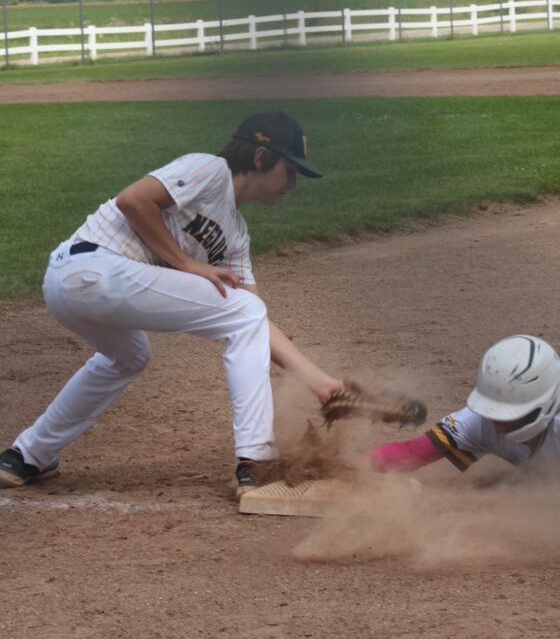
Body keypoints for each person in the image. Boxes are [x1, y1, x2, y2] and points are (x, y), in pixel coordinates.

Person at [0, 111, 342, 495]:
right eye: (290, 171)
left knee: (130, 355)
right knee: (243, 312)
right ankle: (256, 459)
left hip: (78, 287)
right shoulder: (210, 169)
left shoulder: (236, 235)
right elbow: (134, 200)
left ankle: (26, 456)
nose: (293, 184)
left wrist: (322, 384)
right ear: (261, 158)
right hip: (93, 266)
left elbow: (255, 321)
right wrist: (187, 264)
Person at [366, 335, 560, 475]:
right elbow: (413, 452)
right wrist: (354, 468)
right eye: (492, 409)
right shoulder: (479, 422)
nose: (496, 423)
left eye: (509, 413)